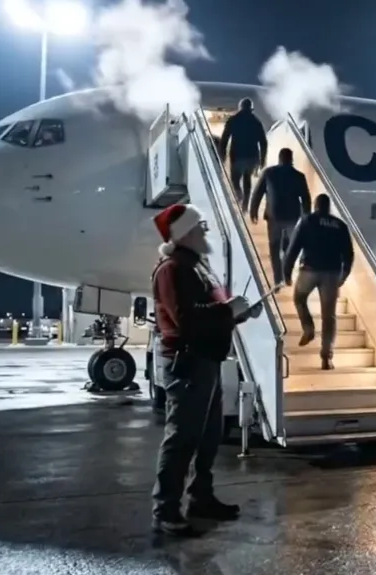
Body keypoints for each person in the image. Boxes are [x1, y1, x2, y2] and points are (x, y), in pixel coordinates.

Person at [149, 203, 259, 536]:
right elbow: (187, 319)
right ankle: (166, 508)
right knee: (182, 437)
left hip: (206, 361)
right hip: (188, 363)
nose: (206, 231)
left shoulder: (198, 266)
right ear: (185, 233)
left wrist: (239, 313)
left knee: (209, 437)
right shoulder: (172, 269)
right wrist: (228, 310)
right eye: (201, 226)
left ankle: (201, 497)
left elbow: (210, 312)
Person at [282, 193, 354, 370]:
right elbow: (349, 253)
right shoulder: (340, 225)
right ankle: (326, 358)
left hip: (310, 271)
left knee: (299, 298)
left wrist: (287, 272)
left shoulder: (307, 221)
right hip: (332, 274)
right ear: (328, 207)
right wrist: (344, 275)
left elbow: (293, 248)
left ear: (315, 206)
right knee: (329, 316)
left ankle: (308, 327)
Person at [250, 147, 311, 285]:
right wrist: (307, 217)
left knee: (274, 247)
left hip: (274, 216)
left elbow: (257, 192)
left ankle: (278, 279)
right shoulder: (298, 176)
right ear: (291, 159)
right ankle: (285, 273)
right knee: (290, 248)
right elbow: (306, 198)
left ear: (279, 158)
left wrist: (253, 210)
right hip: (292, 216)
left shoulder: (269, 173)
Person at [217, 98, 268, 205]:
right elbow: (263, 142)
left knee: (235, 180)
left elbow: (224, 138)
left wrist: (222, 155)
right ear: (251, 109)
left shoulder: (233, 120)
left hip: (237, 156)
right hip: (252, 157)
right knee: (247, 179)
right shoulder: (256, 121)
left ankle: (239, 195)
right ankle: (245, 204)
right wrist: (263, 159)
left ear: (240, 107)